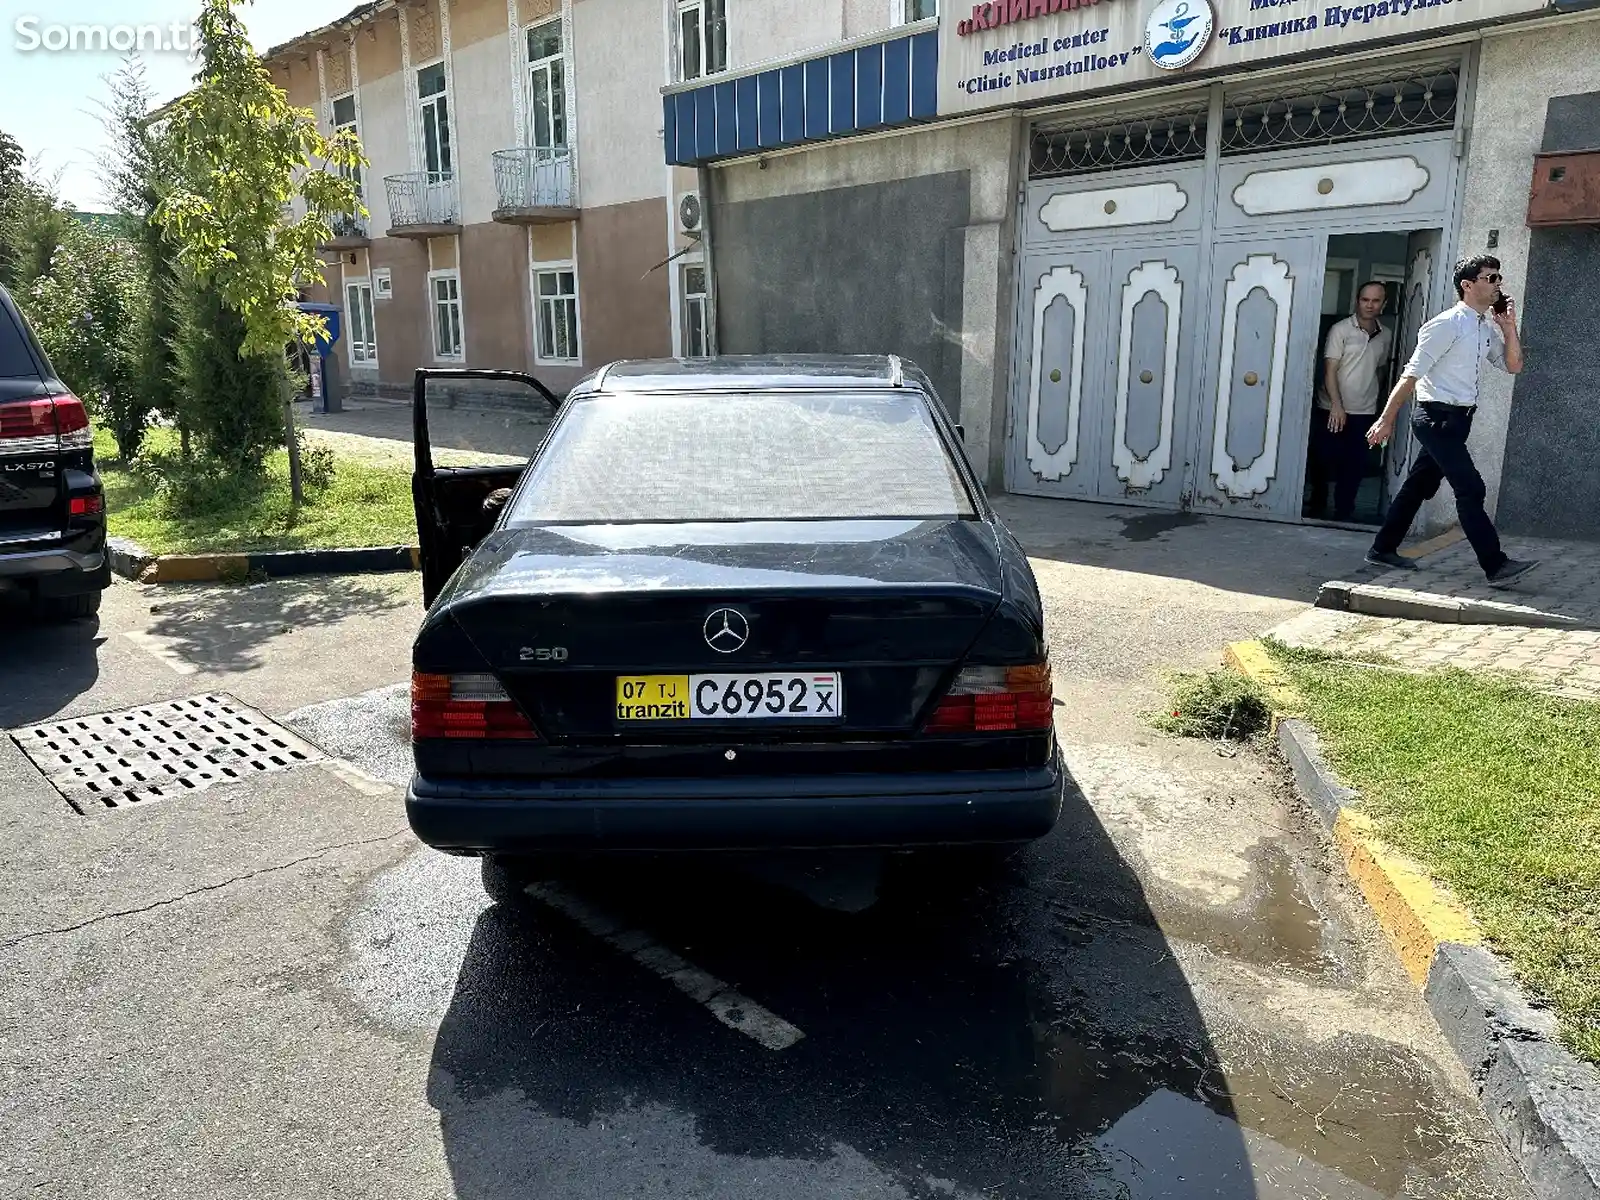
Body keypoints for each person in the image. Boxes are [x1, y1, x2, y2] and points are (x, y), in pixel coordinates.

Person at [1364, 255, 1538, 587]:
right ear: (1468, 285)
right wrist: (1386, 420)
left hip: (1459, 420)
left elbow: (1513, 366)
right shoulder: (1445, 325)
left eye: (1499, 278)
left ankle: (1382, 548)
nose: (1498, 284)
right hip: (1435, 418)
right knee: (1471, 487)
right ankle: (1496, 565)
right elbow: (1410, 376)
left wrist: (1508, 327)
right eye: (1491, 278)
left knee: (1419, 485)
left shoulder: (1484, 325)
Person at [1312, 281, 1392, 521]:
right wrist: (1336, 404)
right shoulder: (1340, 330)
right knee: (1323, 458)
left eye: (1375, 301)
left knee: (1354, 464)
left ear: (1383, 304)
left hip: (1364, 411)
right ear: (1357, 301)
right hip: (1331, 408)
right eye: (1365, 300)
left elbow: (1380, 370)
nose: (1369, 305)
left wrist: (1379, 406)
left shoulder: (1386, 334)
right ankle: (1316, 505)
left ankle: (1343, 511)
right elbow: (1330, 369)